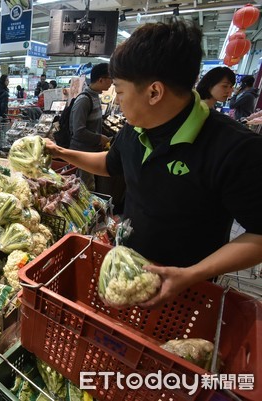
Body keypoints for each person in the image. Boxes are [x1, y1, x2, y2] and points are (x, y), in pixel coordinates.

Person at [44, 20, 262, 309]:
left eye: (120, 92)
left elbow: (258, 235)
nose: (118, 101)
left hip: (187, 289)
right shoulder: (135, 129)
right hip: (129, 272)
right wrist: (61, 152)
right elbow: (110, 165)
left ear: (154, 92)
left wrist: (191, 274)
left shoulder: (235, 148)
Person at [68, 63, 113, 190]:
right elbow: (78, 131)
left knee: (89, 186)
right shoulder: (84, 100)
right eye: (110, 78)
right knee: (83, 188)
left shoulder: (95, 97)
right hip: (81, 153)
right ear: (101, 79)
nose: (112, 82)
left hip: (91, 151)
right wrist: (100, 138)